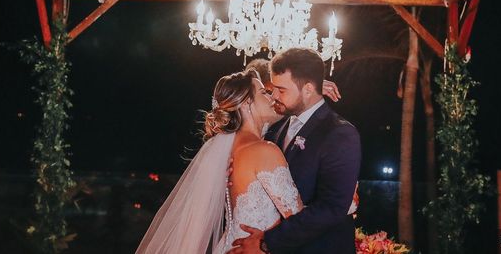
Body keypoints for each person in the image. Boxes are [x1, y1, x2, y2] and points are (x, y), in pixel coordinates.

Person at [136, 68, 297, 253]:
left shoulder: (228, 151)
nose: (272, 97)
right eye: (264, 92)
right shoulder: (264, 150)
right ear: (246, 103)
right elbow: (299, 220)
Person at [229, 48, 361, 254]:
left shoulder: (339, 133)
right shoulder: (274, 128)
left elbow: (332, 208)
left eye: (281, 90)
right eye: (272, 89)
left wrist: (267, 243)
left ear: (308, 89)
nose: (274, 96)